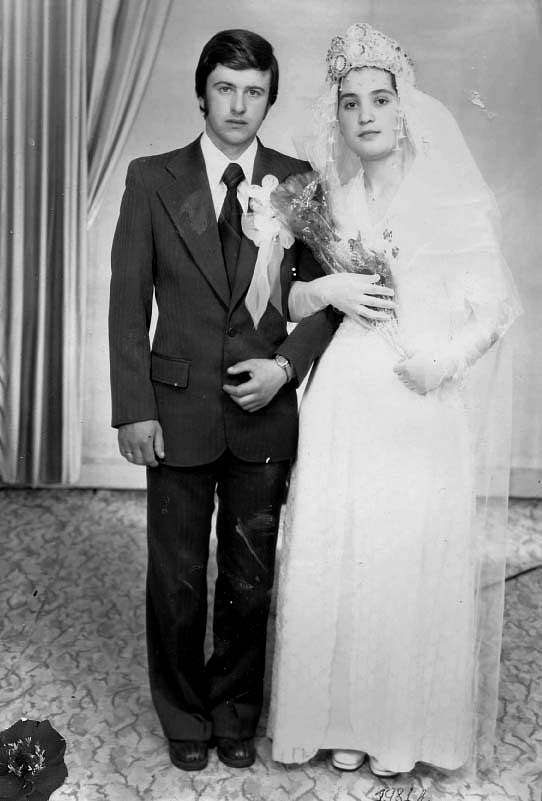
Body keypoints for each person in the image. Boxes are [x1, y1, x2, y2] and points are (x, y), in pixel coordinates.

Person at [109, 28, 393, 773]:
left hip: (263, 412)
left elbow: (330, 298)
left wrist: (285, 367)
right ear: (201, 92)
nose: (239, 105)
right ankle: (183, 713)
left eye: (254, 91)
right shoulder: (151, 178)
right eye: (225, 88)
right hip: (175, 410)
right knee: (175, 579)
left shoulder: (298, 182)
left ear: (270, 99)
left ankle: (235, 710)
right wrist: (133, 407)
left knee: (250, 576)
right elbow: (126, 305)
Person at [268, 24, 522, 778]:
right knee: (343, 551)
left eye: (380, 99)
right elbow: (294, 302)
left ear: (405, 107)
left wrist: (444, 359)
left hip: (417, 402)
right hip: (346, 399)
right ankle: (341, 720)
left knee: (403, 557)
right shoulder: (333, 201)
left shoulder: (448, 196)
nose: (366, 115)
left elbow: (496, 307)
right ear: (338, 116)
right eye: (350, 103)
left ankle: (399, 728)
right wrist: (325, 287)